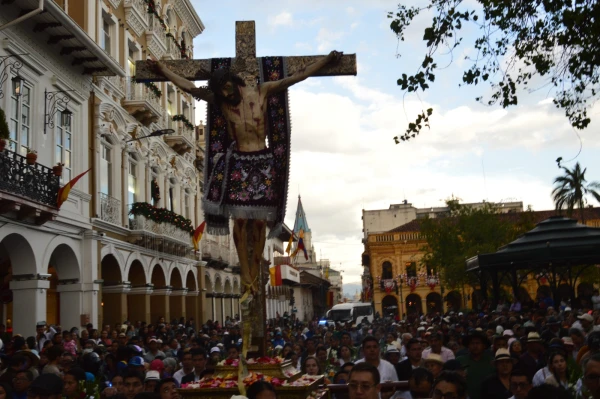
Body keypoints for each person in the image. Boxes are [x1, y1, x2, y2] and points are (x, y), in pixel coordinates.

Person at [457, 331, 495, 399]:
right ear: (468, 346)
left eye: (478, 343)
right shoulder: (460, 360)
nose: (475, 346)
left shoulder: (492, 361)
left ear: (484, 345)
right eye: (472, 343)